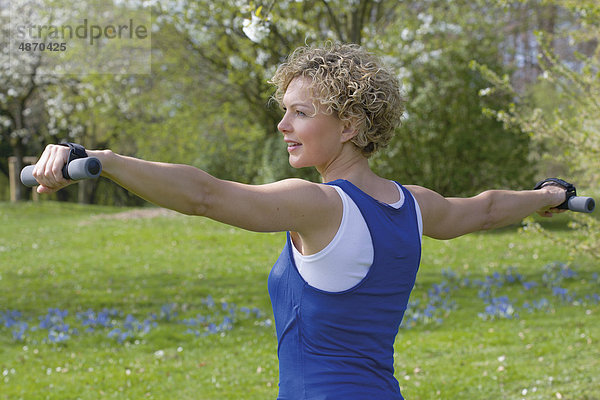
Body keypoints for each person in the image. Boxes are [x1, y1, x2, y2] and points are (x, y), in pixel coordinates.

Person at [31, 43, 566, 399]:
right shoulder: (413, 204)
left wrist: (103, 159)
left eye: (301, 113)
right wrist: (545, 196)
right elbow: (489, 207)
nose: (283, 124)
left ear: (350, 124)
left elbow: (205, 196)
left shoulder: (320, 205)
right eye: (285, 110)